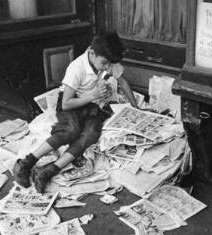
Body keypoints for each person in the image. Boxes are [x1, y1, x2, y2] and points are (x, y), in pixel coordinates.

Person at [13, 31, 138, 193]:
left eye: (109, 64)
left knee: (91, 134)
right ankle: (25, 163)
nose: (108, 68)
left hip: (92, 106)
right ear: (92, 53)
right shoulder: (77, 68)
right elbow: (66, 104)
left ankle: (48, 172)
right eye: (104, 63)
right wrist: (92, 95)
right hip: (72, 103)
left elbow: (123, 81)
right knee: (71, 130)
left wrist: (136, 107)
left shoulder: (108, 59)